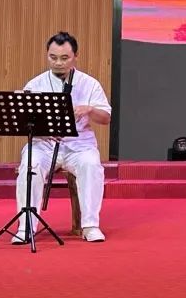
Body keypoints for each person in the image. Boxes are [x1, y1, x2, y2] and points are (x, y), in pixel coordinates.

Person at [12, 32, 112, 244]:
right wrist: (42, 130)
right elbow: (24, 123)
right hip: (44, 144)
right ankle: (26, 226)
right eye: (53, 57)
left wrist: (89, 109)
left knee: (91, 164)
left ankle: (90, 225)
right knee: (30, 163)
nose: (58, 63)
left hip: (79, 145)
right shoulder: (35, 84)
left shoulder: (89, 84)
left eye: (64, 58)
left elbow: (105, 118)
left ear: (75, 56)